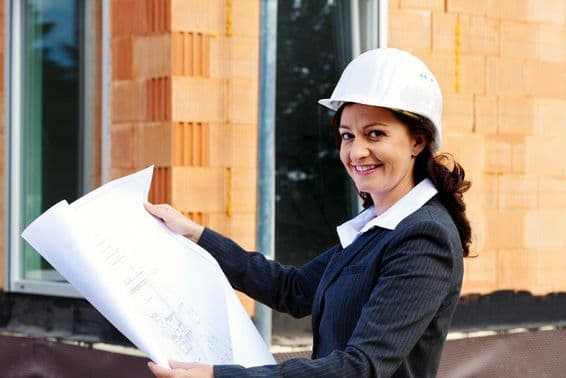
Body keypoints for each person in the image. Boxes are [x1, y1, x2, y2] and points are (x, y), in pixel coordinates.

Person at [146, 47, 471, 378]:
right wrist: (196, 235)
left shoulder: (423, 238)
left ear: (417, 141)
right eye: (347, 136)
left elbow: (363, 367)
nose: (356, 151)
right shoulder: (374, 229)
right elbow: (292, 289)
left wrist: (220, 376)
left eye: (375, 133)